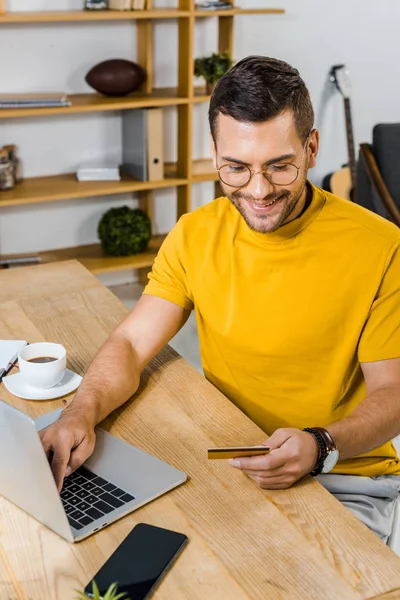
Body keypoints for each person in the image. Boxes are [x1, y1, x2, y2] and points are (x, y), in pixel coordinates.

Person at [40, 56, 400, 543]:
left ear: (312, 148)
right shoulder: (194, 234)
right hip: (230, 461)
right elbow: (130, 342)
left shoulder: (381, 247)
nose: (258, 190)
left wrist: (321, 444)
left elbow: (392, 394)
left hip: (346, 478)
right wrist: (79, 413)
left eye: (280, 166)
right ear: (214, 154)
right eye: (236, 168)